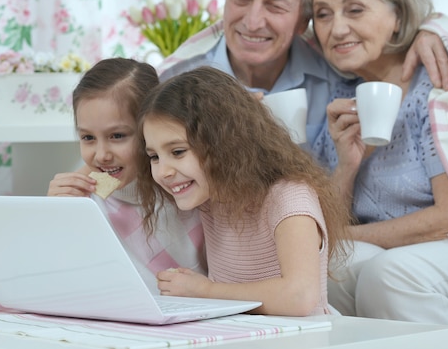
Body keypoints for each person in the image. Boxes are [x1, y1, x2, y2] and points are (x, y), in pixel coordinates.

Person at [158, 0, 448, 154]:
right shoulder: (175, 81)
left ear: (304, 20)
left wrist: (433, 27)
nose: (252, 22)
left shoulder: (337, 68)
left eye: (275, 6)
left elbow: (387, 30)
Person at [310, 0, 448, 343]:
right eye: (322, 15)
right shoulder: (344, 100)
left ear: (397, 16)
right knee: (327, 267)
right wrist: (346, 165)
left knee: (388, 273)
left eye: (355, 9)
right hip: (406, 256)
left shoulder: (433, 86)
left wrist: (348, 238)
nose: (337, 28)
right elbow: (331, 226)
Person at [135, 66, 353, 316]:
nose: (163, 171)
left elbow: (300, 296)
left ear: (225, 142)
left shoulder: (289, 198)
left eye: (178, 152)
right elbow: (120, 168)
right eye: (154, 156)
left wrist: (205, 291)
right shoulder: (211, 197)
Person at [46, 58, 206, 292]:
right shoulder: (83, 199)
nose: (101, 155)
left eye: (117, 136)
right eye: (88, 137)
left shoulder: (188, 190)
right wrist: (52, 215)